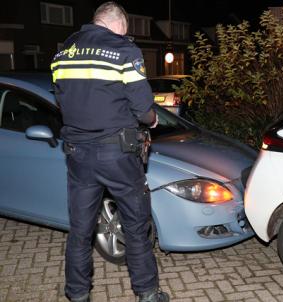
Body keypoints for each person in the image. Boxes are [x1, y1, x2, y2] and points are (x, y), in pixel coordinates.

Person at [51, 2, 169, 302]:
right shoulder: (124, 51)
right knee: (135, 223)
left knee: (80, 230)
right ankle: (147, 292)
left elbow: (63, 103)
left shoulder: (63, 52)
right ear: (118, 25)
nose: (124, 35)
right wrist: (154, 120)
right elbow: (143, 109)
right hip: (117, 153)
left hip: (77, 154)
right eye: (125, 31)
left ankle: (77, 294)